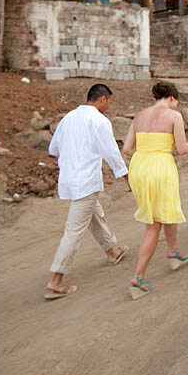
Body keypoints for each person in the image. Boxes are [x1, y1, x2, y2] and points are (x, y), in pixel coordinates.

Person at [45, 84, 130, 300]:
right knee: (74, 230)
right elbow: (111, 152)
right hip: (86, 182)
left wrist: (69, 159)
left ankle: (112, 251)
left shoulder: (68, 118)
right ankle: (56, 280)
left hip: (70, 181)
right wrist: (127, 177)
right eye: (109, 101)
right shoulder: (99, 121)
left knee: (95, 215)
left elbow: (53, 150)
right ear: (102, 99)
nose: (109, 106)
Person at [122, 81, 188, 300]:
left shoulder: (139, 115)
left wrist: (146, 152)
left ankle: (173, 251)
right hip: (160, 167)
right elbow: (182, 149)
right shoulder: (174, 116)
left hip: (139, 166)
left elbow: (126, 149)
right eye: (176, 102)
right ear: (172, 98)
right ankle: (138, 278)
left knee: (167, 208)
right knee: (153, 225)